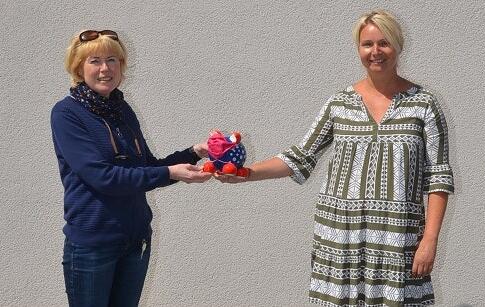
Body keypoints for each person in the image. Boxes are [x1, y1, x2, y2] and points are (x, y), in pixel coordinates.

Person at [216, 10, 454, 306]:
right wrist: (246, 173)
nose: (375, 52)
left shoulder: (424, 105)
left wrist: (429, 240)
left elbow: (438, 179)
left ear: (398, 46)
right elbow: (300, 156)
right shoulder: (340, 103)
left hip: (397, 242)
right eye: (367, 44)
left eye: (384, 43)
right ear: (358, 49)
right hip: (341, 240)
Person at [50, 30, 212, 307]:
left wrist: (194, 153)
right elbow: (103, 177)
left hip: (135, 241)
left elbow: (146, 168)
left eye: (113, 60)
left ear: (122, 67)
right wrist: (170, 173)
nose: (105, 69)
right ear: (78, 67)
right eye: (95, 61)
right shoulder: (66, 114)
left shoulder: (122, 110)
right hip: (93, 246)